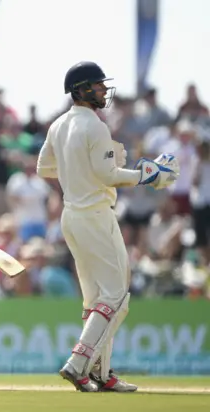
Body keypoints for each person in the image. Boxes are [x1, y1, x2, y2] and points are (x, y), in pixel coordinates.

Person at [36, 61, 178, 392]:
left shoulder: (58, 124)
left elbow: (45, 168)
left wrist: (80, 170)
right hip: (95, 215)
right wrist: (150, 173)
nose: (103, 91)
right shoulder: (96, 126)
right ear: (82, 90)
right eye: (98, 86)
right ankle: (78, 362)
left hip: (72, 215)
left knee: (97, 299)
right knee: (115, 295)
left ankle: (99, 374)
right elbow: (108, 176)